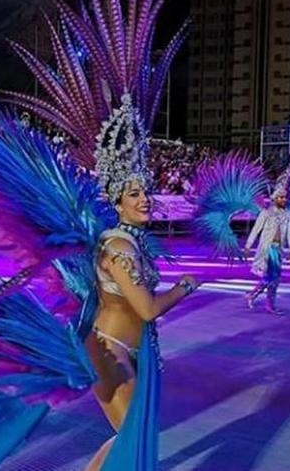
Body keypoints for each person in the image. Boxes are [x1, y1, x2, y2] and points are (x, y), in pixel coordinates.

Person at [86, 95, 199, 470]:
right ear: (118, 203)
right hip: (109, 352)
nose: (145, 200)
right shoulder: (119, 245)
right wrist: (184, 287)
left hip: (125, 352)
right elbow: (147, 309)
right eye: (134, 194)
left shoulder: (128, 241)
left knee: (133, 440)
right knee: (131, 441)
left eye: (145, 192)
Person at [244, 166, 290, 314]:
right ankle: (269, 305)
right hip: (267, 249)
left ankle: (252, 295)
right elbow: (256, 229)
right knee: (273, 278)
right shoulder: (266, 213)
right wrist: (248, 246)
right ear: (274, 198)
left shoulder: (289, 214)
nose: (283, 200)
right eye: (280, 197)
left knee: (273, 277)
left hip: (278, 250)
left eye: (285, 197)